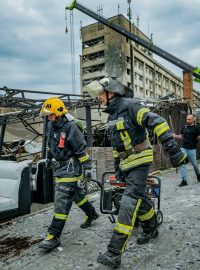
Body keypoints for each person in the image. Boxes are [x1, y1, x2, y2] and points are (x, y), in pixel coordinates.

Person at [86, 77, 188, 269]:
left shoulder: (130, 105)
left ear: (112, 92)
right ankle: (151, 228)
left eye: (100, 94)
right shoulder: (112, 115)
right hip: (126, 164)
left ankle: (114, 253)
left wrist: (173, 151)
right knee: (139, 197)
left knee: (129, 200)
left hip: (140, 160)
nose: (98, 98)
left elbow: (159, 122)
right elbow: (117, 147)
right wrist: (118, 168)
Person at [39, 97, 99, 250]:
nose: (48, 117)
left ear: (59, 112)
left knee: (62, 198)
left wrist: (87, 167)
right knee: (75, 195)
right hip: (59, 168)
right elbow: (49, 143)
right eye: (47, 114)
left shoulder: (71, 127)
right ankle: (92, 213)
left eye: (50, 114)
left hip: (71, 168)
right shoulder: (51, 126)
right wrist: (49, 158)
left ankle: (53, 235)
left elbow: (80, 149)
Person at [173, 114, 200, 187]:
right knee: (182, 164)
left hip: (192, 148)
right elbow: (182, 136)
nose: (188, 121)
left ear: (193, 119)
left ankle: (198, 175)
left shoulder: (197, 128)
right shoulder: (184, 127)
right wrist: (175, 136)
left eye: (189, 119)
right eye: (187, 119)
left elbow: (198, 138)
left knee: (194, 164)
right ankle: (184, 180)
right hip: (183, 148)